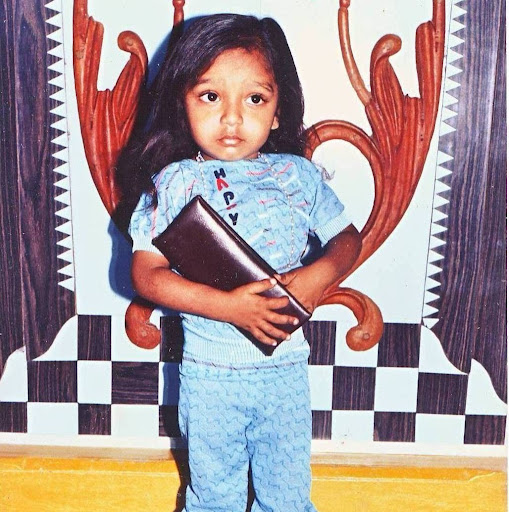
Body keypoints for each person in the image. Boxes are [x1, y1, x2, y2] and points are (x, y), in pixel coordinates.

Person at [122, 13, 361, 512]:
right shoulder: (172, 183)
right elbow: (146, 275)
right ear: (182, 102)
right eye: (211, 96)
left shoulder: (298, 176)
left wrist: (319, 275)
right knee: (214, 497)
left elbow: (346, 240)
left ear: (277, 111)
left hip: (285, 372)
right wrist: (229, 308)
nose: (232, 119)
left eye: (254, 99)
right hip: (210, 376)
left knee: (288, 496)